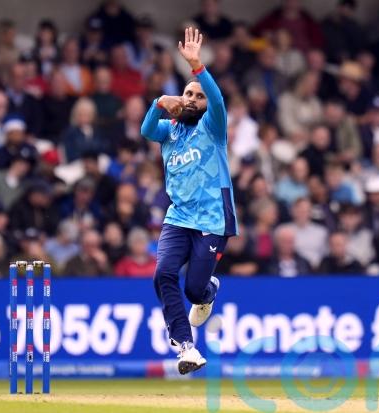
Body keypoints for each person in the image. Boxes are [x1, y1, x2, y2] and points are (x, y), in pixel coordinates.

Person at [140, 28, 237, 375]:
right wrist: (158, 103)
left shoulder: (213, 127)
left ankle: (209, 290)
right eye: (188, 94)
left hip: (212, 220)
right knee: (163, 274)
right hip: (178, 218)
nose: (193, 99)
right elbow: (147, 131)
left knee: (195, 290)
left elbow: (218, 100)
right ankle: (186, 346)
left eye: (199, 96)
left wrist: (197, 67)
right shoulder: (169, 130)